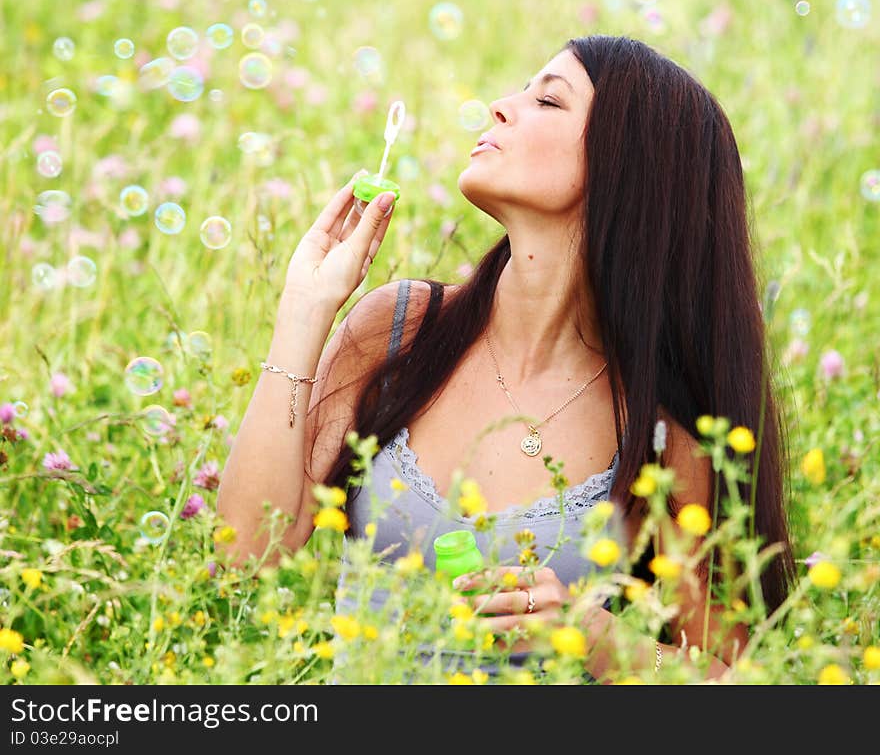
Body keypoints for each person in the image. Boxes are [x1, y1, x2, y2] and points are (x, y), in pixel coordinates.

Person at [216, 34, 797, 684]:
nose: (500, 107)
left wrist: (594, 636)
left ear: (627, 167)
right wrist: (303, 312)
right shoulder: (404, 329)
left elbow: (736, 687)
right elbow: (245, 554)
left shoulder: (663, 432)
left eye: (548, 99)